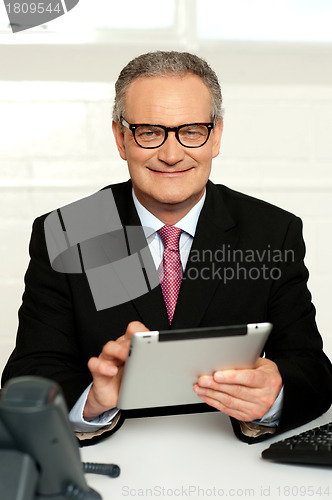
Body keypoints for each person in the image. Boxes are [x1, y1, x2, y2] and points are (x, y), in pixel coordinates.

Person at [2, 51, 332, 445]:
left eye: (191, 130)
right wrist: (91, 401)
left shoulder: (270, 232)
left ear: (217, 137)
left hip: (234, 464)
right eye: (149, 131)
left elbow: (311, 368)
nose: (171, 154)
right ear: (121, 138)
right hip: (113, 467)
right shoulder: (73, 231)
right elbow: (29, 374)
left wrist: (274, 394)